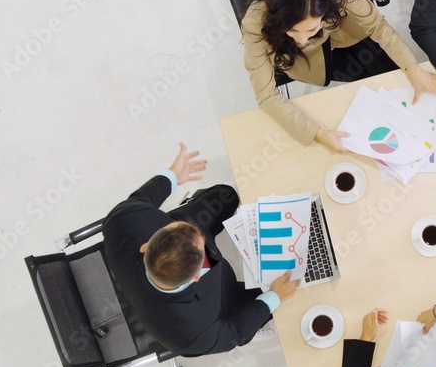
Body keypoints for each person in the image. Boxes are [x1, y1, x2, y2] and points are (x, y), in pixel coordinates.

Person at [102, 143, 300, 356]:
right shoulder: (195, 335)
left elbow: (141, 199)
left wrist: (172, 176)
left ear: (148, 244)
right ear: (198, 275)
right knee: (281, 293)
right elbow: (234, 332)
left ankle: (192, 210)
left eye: (183, 228)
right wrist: (274, 297)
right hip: (223, 300)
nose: (199, 233)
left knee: (226, 196)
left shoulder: (123, 220)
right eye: (202, 245)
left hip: (158, 259)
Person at [242, 0, 436, 153]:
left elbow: (377, 26)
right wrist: (318, 134)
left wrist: (412, 67)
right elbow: (266, 95)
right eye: (293, 30)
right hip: (301, 60)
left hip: (345, 32)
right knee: (346, 111)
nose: (302, 39)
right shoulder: (254, 21)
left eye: (311, 29)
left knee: (393, 88)